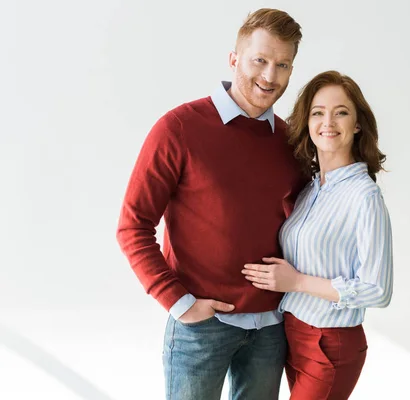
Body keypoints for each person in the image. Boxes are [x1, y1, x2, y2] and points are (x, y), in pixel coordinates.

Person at [116, 9, 306, 400]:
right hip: (201, 325)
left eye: (283, 64)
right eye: (260, 60)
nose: (270, 76)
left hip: (271, 328)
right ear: (234, 59)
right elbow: (132, 225)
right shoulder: (179, 128)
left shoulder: (290, 141)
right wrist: (178, 302)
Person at [242, 70, 394, 400]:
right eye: (318, 112)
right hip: (293, 334)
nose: (328, 121)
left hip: (331, 341)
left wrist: (296, 282)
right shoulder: (311, 189)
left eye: (341, 112)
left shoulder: (364, 197)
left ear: (357, 124)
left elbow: (378, 290)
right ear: (307, 123)